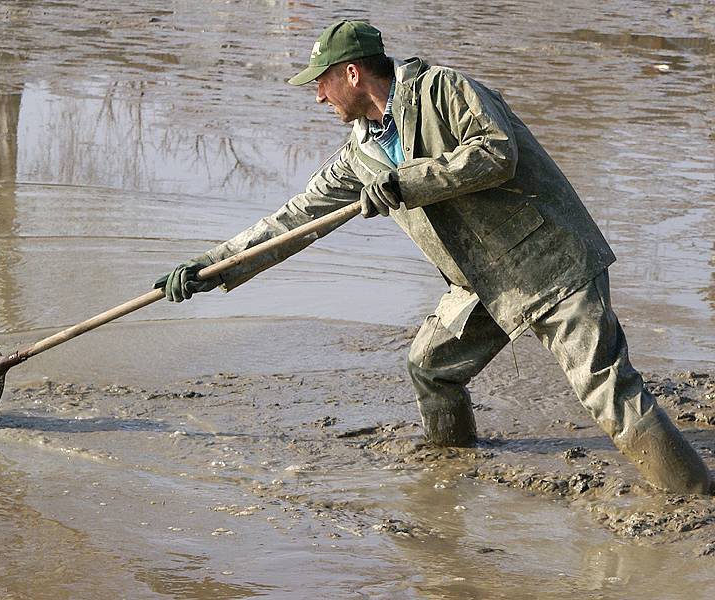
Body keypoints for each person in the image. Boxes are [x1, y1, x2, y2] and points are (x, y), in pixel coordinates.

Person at [155, 20, 711, 494]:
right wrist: (211, 268)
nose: (318, 98)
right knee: (432, 367)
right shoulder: (359, 156)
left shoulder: (445, 89)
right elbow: (292, 221)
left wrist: (407, 182)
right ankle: (452, 472)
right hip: (481, 282)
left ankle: (694, 498)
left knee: (605, 388)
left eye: (320, 84)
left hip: (549, 262)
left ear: (352, 73)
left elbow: (497, 154)